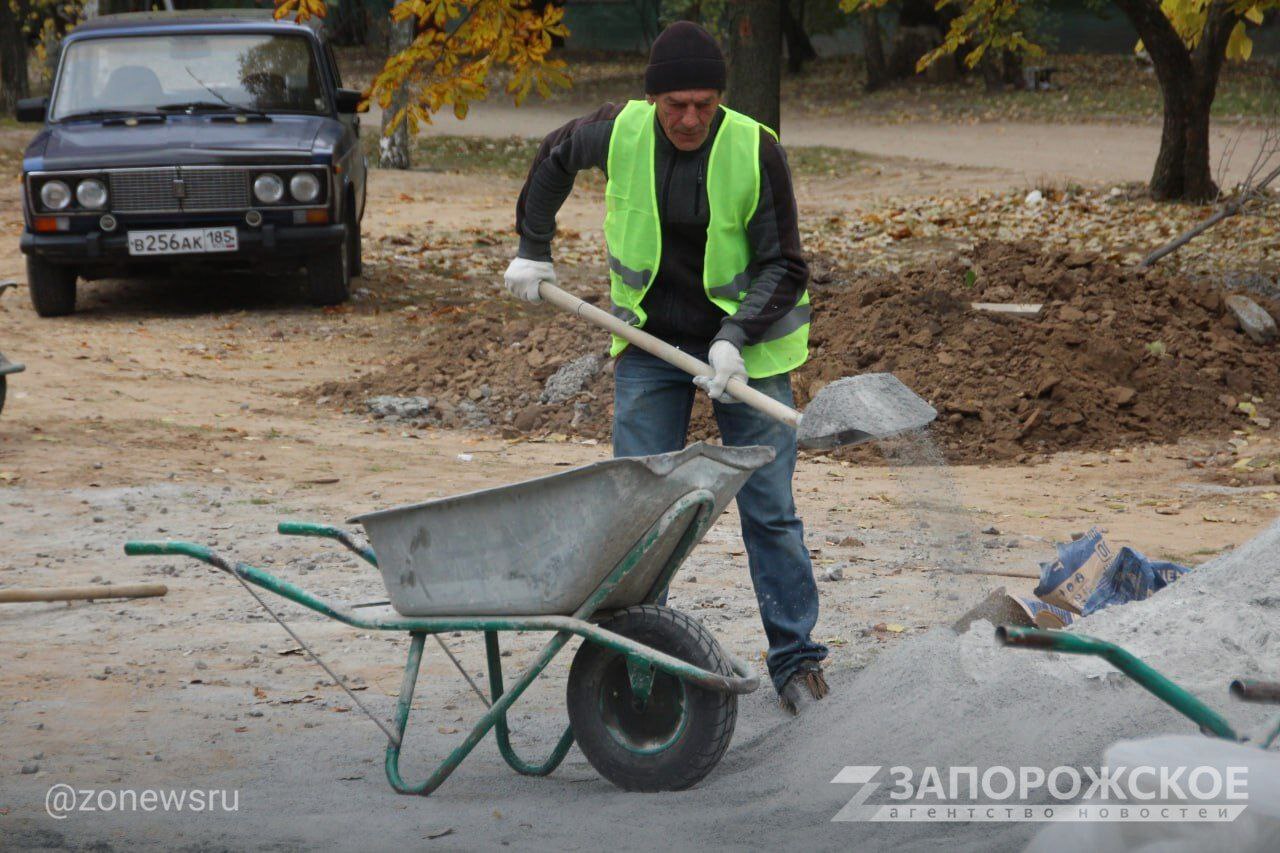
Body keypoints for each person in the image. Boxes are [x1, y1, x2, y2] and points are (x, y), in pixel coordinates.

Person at [503, 21, 828, 714]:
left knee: (769, 510)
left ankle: (797, 661)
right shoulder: (616, 132)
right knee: (640, 512)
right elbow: (553, 155)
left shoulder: (754, 147)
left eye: (703, 105)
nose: (689, 119)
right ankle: (638, 658)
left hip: (747, 351)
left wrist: (735, 337)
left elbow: (786, 263)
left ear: (719, 100)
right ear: (653, 98)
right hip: (651, 343)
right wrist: (533, 247)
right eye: (675, 104)